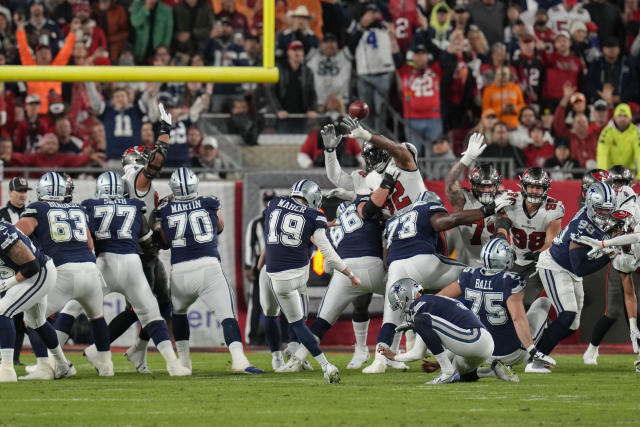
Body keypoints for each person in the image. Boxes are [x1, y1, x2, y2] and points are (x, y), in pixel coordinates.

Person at [362, 190, 513, 374]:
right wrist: (488, 209)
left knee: (390, 319)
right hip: (423, 261)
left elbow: (386, 260)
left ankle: (379, 361)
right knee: (473, 276)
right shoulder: (427, 209)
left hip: (396, 267)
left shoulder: (393, 221)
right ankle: (482, 320)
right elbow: (447, 221)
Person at [55, 172, 190, 376]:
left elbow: (84, 237)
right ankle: (173, 364)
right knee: (152, 313)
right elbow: (146, 242)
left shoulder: (90, 206)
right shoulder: (135, 206)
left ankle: (51, 360)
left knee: (72, 308)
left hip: (103, 264)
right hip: (131, 264)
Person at [155, 167, 262, 374]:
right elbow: (219, 227)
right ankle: (239, 360)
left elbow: (166, 242)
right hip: (208, 267)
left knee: (178, 314)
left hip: (180, 271)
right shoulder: (209, 202)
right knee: (227, 316)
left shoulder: (165, 209)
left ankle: (184, 362)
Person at [16, 172, 113, 377]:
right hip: (90, 269)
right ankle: (106, 366)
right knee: (97, 317)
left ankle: (46, 366)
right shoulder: (77, 208)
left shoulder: (38, 208)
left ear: (42, 189)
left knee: (33, 318)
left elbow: (17, 235)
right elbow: (89, 243)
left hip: (63, 271)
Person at [263, 179, 359, 382]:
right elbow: (329, 254)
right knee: (301, 319)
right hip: (299, 274)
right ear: (313, 197)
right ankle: (315, 361)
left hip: (277, 278)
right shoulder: (314, 215)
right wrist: (350, 273)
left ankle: (315, 361)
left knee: (297, 323)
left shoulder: (273, 204)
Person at [291, 197, 386, 371]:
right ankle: (391, 352)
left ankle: (297, 359)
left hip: (347, 273)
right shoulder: (366, 210)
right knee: (401, 301)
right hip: (376, 266)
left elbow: (327, 267)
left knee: (322, 321)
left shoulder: (330, 229)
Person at [438, 239, 554, 380]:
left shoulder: (469, 275)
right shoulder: (510, 280)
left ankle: (490, 371)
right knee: (543, 302)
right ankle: (534, 359)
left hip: (482, 351)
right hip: (513, 353)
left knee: (459, 371)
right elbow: (518, 319)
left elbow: (440, 298)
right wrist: (532, 351)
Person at [534, 181, 616, 369]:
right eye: (600, 209)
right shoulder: (583, 224)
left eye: (607, 210)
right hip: (555, 265)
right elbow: (580, 268)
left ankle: (532, 346)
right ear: (590, 204)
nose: (604, 213)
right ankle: (537, 358)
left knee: (572, 325)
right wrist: (608, 257)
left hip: (570, 270)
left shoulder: (599, 218)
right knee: (567, 314)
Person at [379, 278, 494, 384]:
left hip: (473, 339)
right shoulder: (431, 301)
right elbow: (452, 339)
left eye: (399, 304)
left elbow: (417, 353)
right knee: (463, 376)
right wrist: (438, 363)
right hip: (483, 341)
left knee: (421, 320)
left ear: (406, 297)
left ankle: (447, 372)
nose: (401, 308)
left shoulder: (419, 308)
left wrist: (394, 357)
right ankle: (493, 370)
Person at [0, 220, 75, 382]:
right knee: (35, 321)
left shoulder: (2, 232)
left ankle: (6, 370)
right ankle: (60, 366)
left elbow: (31, 266)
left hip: (38, 273)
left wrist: (6, 284)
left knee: (2, 310)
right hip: (25, 275)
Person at [576, 209, 640, 370]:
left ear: (626, 227)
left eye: (616, 230)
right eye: (611, 233)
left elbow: (636, 237)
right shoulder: (619, 258)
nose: (613, 235)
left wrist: (604, 244)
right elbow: (629, 292)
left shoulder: (636, 231)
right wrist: (633, 327)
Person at [495, 167, 564, 307]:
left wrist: (538, 253)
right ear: (523, 186)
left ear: (546, 189)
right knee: (500, 299)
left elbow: (552, 240)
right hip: (515, 260)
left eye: (539, 187)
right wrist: (502, 241)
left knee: (526, 302)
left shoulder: (552, 208)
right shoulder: (511, 202)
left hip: (539, 262)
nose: (534, 191)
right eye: (531, 186)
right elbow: (502, 225)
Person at [445, 135, 501, 266]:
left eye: (490, 186)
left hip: (495, 262)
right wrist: (467, 159)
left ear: (496, 185)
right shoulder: (463, 199)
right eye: (482, 185)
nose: (486, 190)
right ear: (474, 185)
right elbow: (449, 182)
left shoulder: (503, 201)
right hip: (466, 263)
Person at [15, 15, 79, 115]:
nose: (44, 54)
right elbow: (23, 48)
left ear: (51, 55)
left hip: (55, 113)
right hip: (35, 114)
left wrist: (73, 32)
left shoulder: (57, 67)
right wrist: (20, 28)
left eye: (46, 52)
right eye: (41, 52)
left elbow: (66, 51)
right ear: (35, 56)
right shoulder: (30, 66)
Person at [348, 3, 396, 129]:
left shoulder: (384, 27)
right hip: (364, 75)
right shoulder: (358, 29)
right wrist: (362, 26)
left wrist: (379, 16)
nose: (370, 16)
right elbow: (351, 46)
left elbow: (390, 18)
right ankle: (367, 140)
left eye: (373, 13)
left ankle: (379, 142)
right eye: (368, 13)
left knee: (381, 112)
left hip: (383, 73)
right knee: (364, 112)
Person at [0, 177, 31, 366]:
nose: (23, 195)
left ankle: (15, 357)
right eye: (19, 191)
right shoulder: (2, 214)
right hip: (5, 269)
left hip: (28, 267)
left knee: (21, 317)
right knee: (6, 313)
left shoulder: (32, 212)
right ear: (10, 192)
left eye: (25, 191)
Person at [398, 44, 442, 153]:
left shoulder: (436, 69)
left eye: (423, 54)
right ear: (413, 57)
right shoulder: (405, 70)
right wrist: (392, 39)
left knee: (434, 153)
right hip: (412, 119)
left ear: (428, 56)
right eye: (417, 54)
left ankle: (434, 171)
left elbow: (446, 56)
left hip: (433, 119)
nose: (420, 57)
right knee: (413, 154)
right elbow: (395, 56)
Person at [244, 190, 275, 345]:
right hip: (259, 263)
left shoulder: (279, 220)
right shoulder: (256, 223)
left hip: (278, 261)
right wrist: (248, 266)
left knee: (282, 299)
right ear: (263, 201)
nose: (268, 202)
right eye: (267, 199)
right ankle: (253, 335)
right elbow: (249, 244)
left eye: (271, 199)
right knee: (256, 300)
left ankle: (284, 336)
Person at [306, 33, 352, 109]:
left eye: (332, 42)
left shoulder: (344, 55)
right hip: (318, 103)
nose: (329, 45)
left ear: (337, 45)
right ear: (320, 45)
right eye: (326, 42)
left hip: (341, 104)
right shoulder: (313, 55)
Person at [597, 103, 640, 173]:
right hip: (611, 171)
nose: (622, 119)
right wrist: (603, 175)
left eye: (626, 116)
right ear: (614, 117)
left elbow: (639, 153)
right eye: (619, 116)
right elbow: (602, 154)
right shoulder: (606, 132)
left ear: (630, 118)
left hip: (629, 172)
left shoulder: (635, 132)